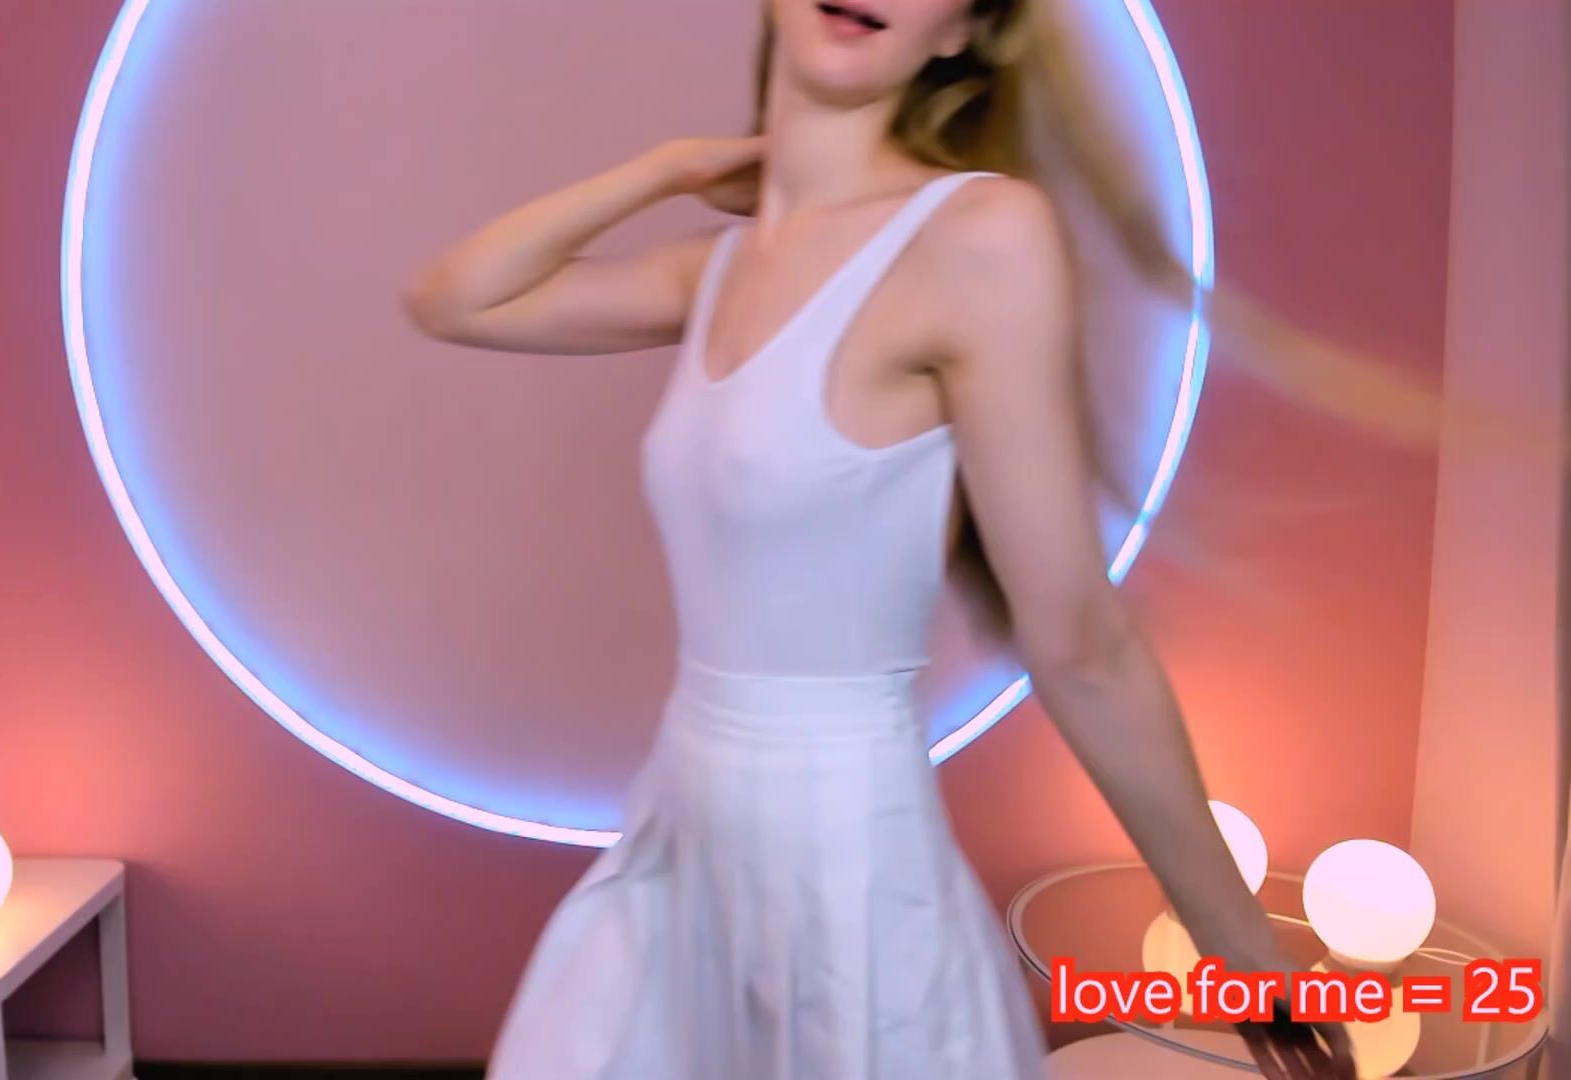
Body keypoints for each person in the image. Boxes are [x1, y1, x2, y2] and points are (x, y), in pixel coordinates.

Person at [404, 0, 1363, 1076]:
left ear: (961, 32)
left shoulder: (978, 238)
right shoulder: (723, 265)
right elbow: (452, 299)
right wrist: (668, 168)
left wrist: (1249, 964)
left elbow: (1080, 644)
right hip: (684, 831)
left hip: (846, 879)